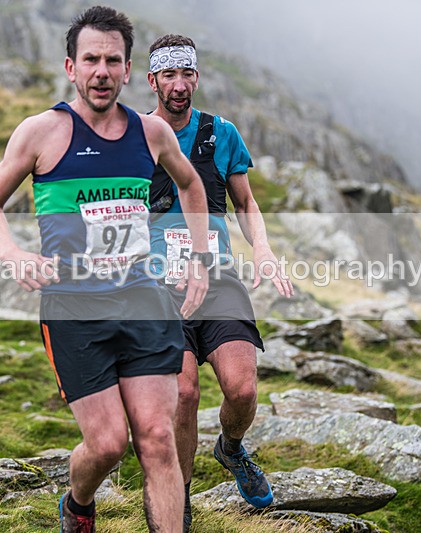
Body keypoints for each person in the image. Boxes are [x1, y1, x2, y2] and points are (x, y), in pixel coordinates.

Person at [0, 8, 211, 533]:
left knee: (157, 438)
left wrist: (198, 260)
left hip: (144, 300)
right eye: (91, 60)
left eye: (112, 60)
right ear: (70, 66)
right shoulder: (42, 132)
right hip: (74, 308)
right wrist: (13, 254)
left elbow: (193, 186)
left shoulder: (151, 134)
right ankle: (78, 502)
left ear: (129, 71)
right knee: (107, 445)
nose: (101, 71)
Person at [146, 34, 294, 530]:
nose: (180, 85)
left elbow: (246, 203)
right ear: (152, 81)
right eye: (170, 75)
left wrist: (265, 250)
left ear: (197, 77)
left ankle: (230, 448)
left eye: (187, 74)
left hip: (219, 277)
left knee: (243, 390)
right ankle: (181, 502)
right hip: (160, 286)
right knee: (184, 394)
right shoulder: (134, 137)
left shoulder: (220, 133)